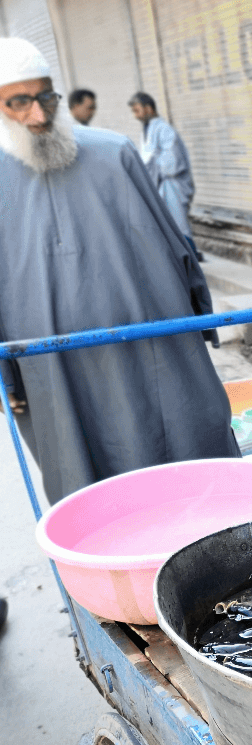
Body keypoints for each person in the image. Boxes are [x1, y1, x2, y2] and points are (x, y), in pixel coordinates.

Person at [0, 38, 238, 506]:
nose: (39, 116)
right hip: (51, 361)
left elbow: (175, 246)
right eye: (19, 102)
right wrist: (9, 375)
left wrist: (198, 321)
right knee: (83, 471)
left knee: (179, 443)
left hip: (147, 339)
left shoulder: (115, 153)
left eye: (46, 97)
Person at [128, 91, 198, 254]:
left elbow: (173, 162)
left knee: (179, 225)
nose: (135, 115)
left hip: (172, 185)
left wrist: (153, 164)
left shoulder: (164, 129)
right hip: (160, 185)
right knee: (170, 227)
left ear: (149, 108)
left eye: (137, 110)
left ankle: (191, 258)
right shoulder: (147, 130)